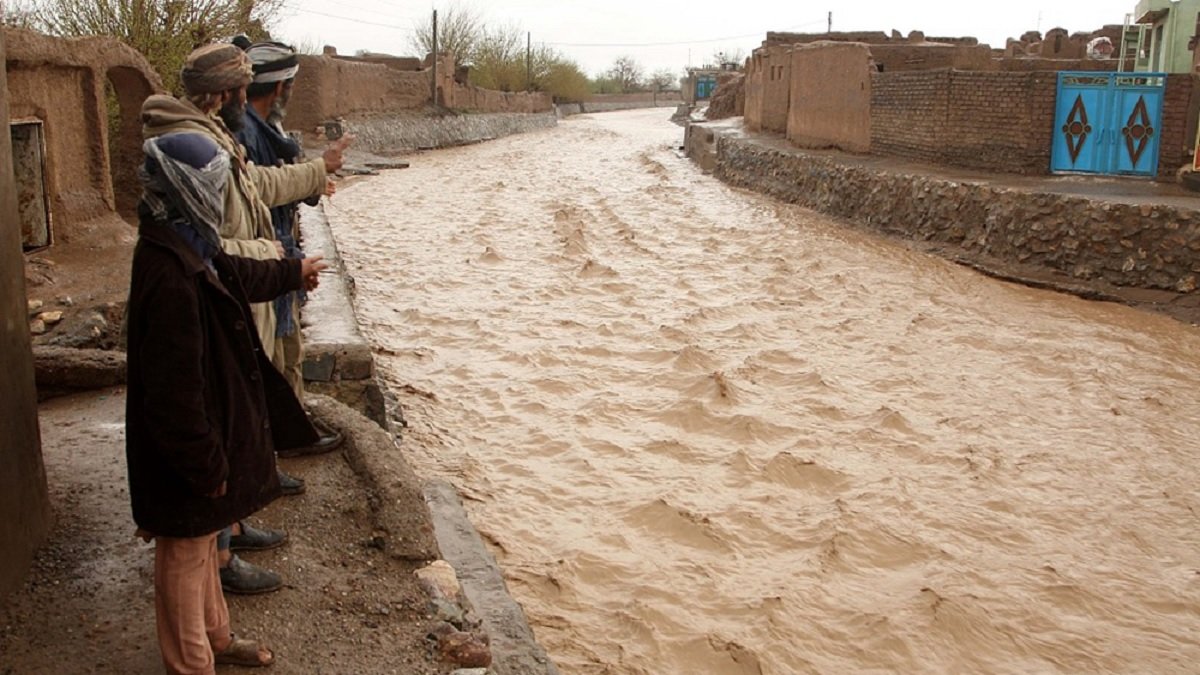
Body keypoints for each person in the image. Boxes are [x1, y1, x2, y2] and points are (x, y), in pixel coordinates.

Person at [140, 42, 342, 594]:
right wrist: (277, 260)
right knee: (222, 418)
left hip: (240, 285)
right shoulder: (195, 146)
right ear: (230, 92)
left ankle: (229, 527)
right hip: (228, 292)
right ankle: (221, 555)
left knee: (238, 412)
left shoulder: (209, 132)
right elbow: (211, 244)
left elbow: (251, 192)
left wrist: (311, 173)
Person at [125, 131, 327, 673]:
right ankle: (192, 664)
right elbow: (173, 397)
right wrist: (204, 464)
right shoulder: (169, 274)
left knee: (198, 547)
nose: (219, 195)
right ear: (189, 189)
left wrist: (291, 273)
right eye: (213, 185)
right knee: (185, 553)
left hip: (203, 440)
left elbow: (234, 273)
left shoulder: (185, 242)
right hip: (187, 450)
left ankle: (216, 639)